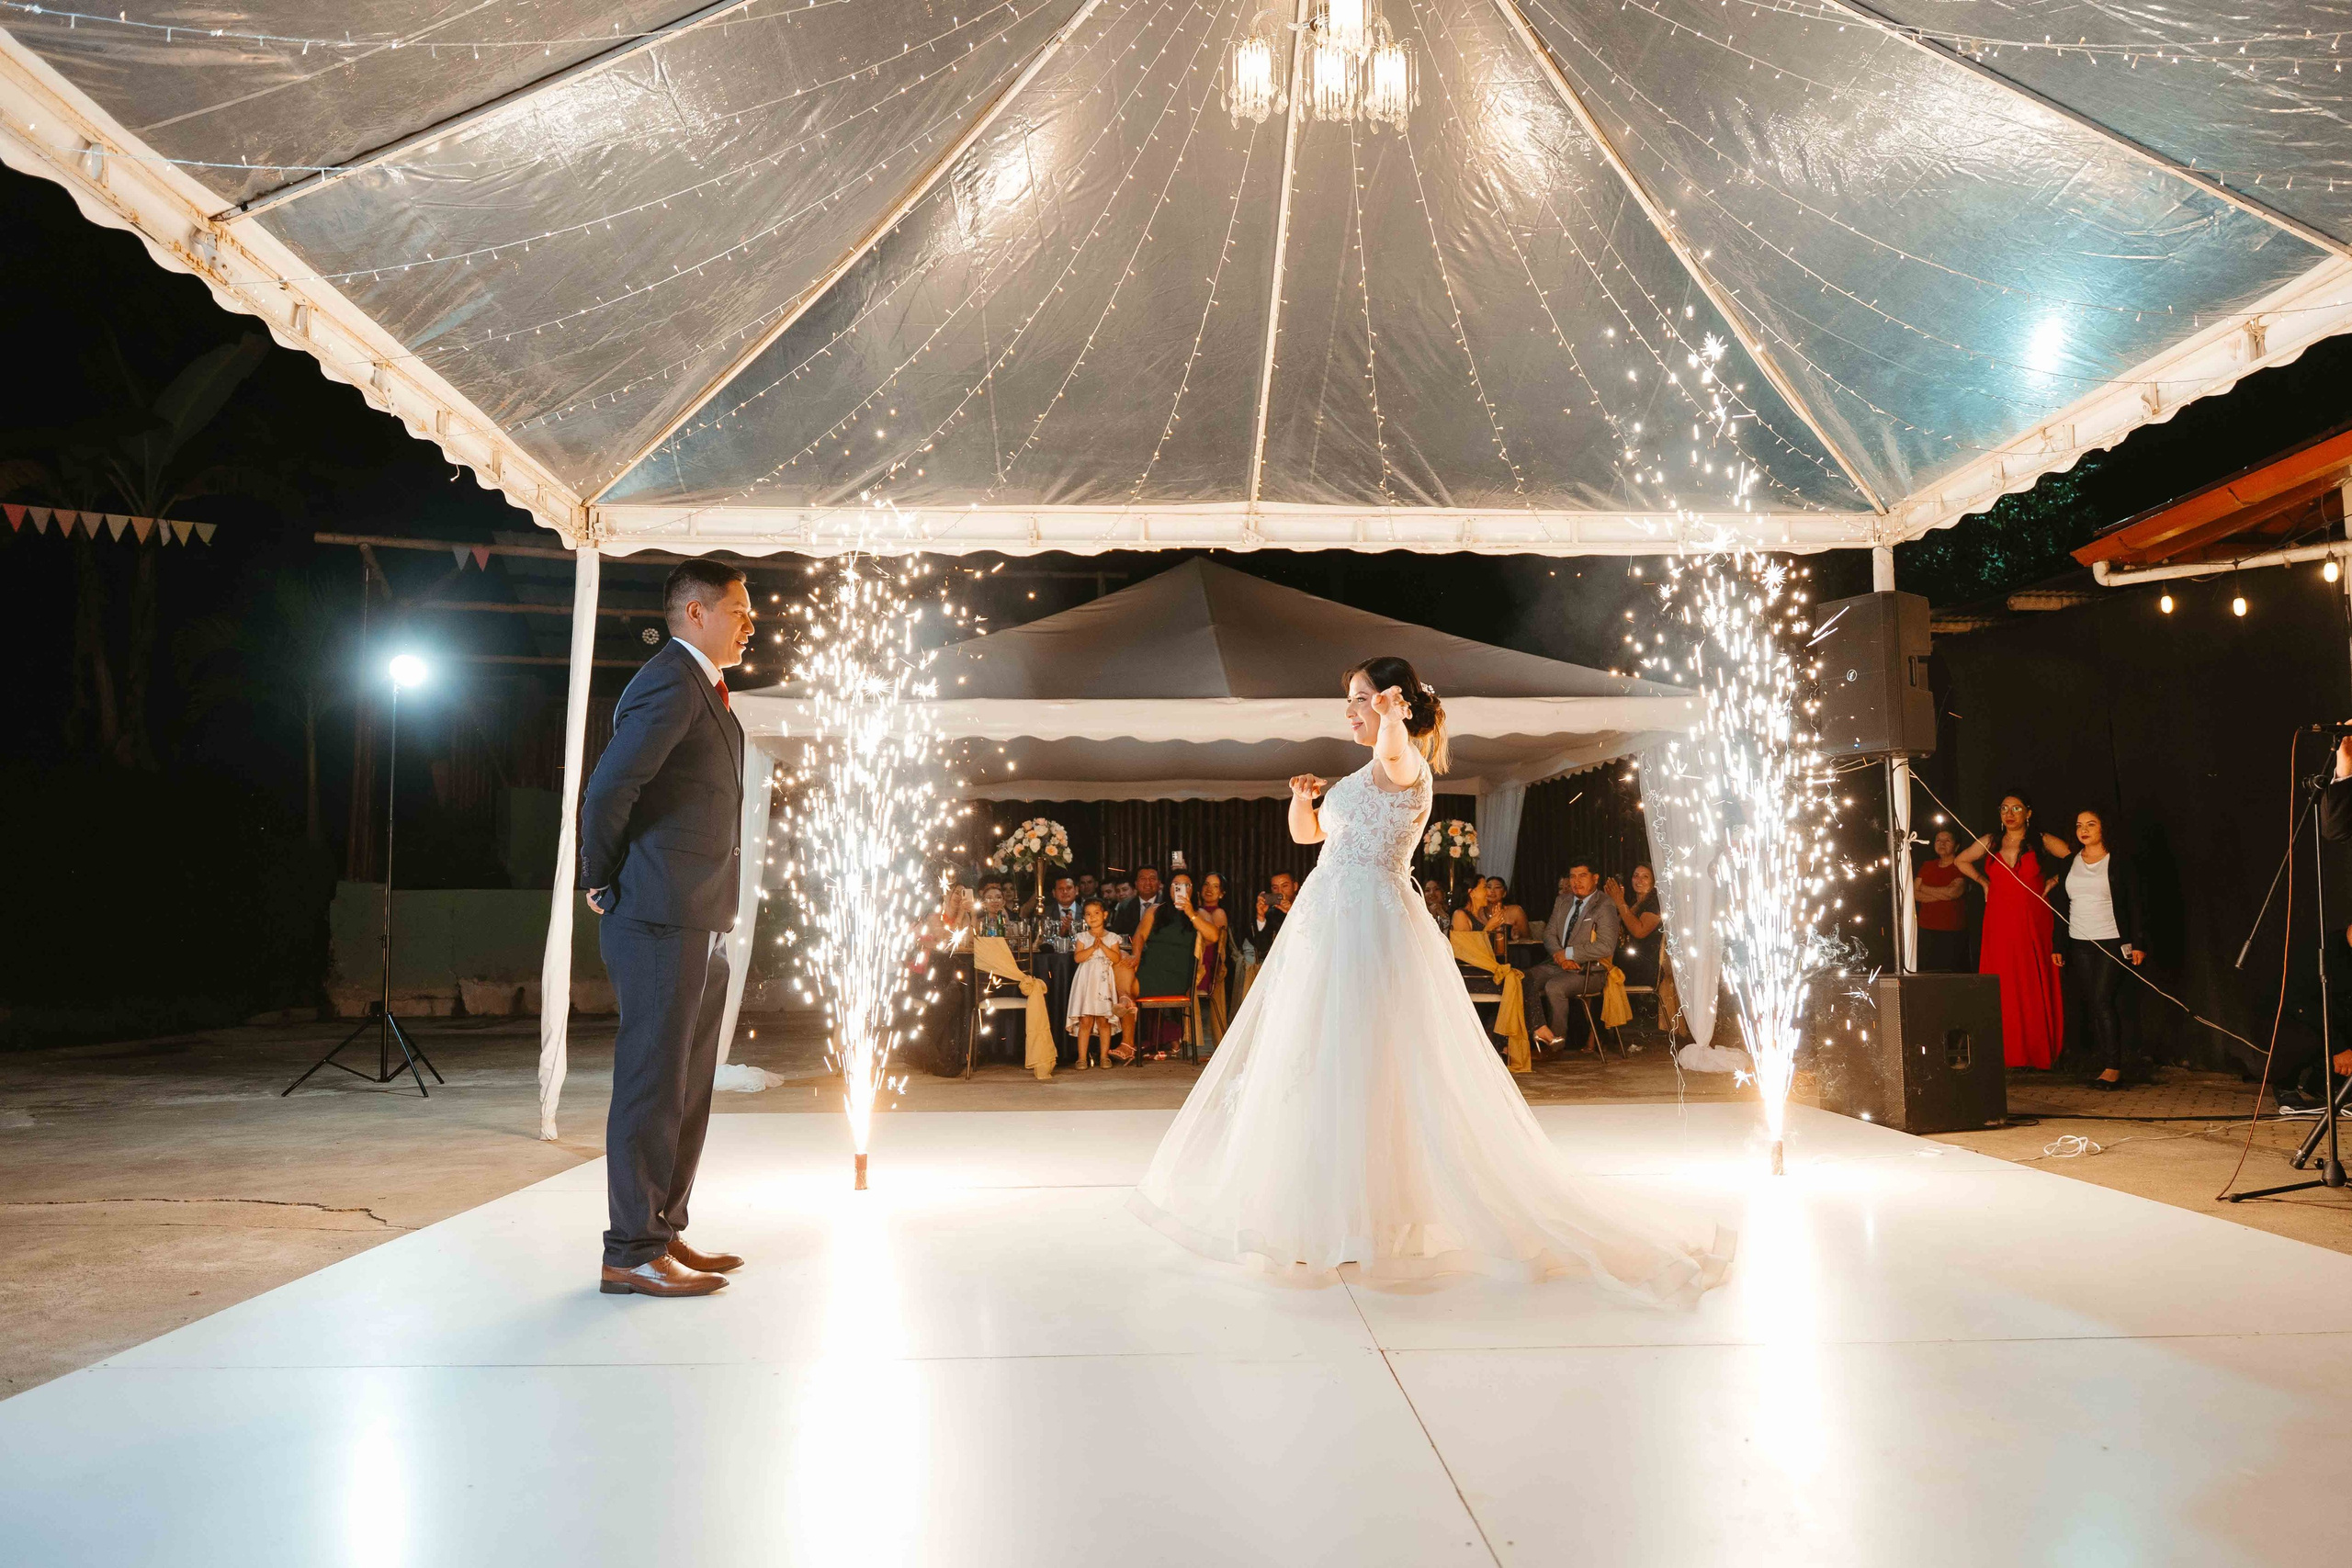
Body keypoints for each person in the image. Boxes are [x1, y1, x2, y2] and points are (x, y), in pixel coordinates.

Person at [1131, 656, 1731, 1303]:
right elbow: (1310, 836)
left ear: (1395, 705)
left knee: (1368, 1065)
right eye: (1351, 700)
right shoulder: (1357, 776)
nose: (1351, 710)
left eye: (1361, 697)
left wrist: (1390, 714)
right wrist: (1302, 800)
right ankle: (1327, 1216)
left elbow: (1393, 743)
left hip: (1368, 933)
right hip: (1326, 934)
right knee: (1322, 1065)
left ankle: (1370, 1221)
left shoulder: (1404, 762)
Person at [577, 560, 754, 1300]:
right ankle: (632, 1249)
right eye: (739, 610)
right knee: (652, 1082)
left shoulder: (703, 687)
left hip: (697, 913)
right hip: (654, 912)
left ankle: (664, 1227)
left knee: (687, 1083)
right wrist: (601, 876)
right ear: (694, 613)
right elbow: (612, 786)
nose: (751, 623)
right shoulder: (668, 681)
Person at [1956, 790, 2071, 1069]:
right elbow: (1961, 860)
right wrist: (1983, 882)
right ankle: (2006, 1051)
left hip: (2033, 919)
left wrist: (2055, 880)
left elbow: (2074, 858)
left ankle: (2036, 1049)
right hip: (1999, 920)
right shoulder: (1990, 841)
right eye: (2004, 808)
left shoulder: (2041, 841)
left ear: (2028, 813)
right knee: (2002, 979)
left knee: (2032, 977)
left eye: (2017, 809)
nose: (2009, 814)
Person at [2050, 808, 2146, 1090]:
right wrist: (2059, 944)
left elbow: (2135, 905)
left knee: (2103, 999)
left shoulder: (2119, 863)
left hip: (2112, 940)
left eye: (2091, 824)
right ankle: (2106, 1061)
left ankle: (2112, 1067)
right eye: (2080, 825)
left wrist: (2138, 944)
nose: (2084, 829)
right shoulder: (2069, 862)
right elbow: (2062, 906)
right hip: (2079, 940)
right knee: (2095, 1000)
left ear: (2104, 829)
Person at [1533, 862, 1622, 1053]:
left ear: (1595, 878)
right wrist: (1561, 957)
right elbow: (1549, 934)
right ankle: (1528, 1040)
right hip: (1557, 964)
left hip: (1590, 971)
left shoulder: (1605, 905)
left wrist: (1569, 953)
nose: (1576, 881)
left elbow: (1606, 945)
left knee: (1554, 987)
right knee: (1522, 980)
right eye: (1573, 876)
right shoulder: (1562, 901)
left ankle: (1555, 1046)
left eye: (1582, 876)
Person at [1067, 898, 1133, 1070]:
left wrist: (1102, 946)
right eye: (1088, 914)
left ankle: (1104, 1056)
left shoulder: (1112, 938)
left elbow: (1116, 958)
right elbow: (1078, 957)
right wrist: (1091, 948)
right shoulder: (1082, 937)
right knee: (1085, 1020)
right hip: (1086, 980)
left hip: (1103, 981)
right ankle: (1082, 1057)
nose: (1092, 917)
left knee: (1104, 1020)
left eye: (1096, 913)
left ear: (1104, 915)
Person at [1913, 829, 1970, 974]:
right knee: (1928, 974)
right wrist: (1944, 894)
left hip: (1952, 931)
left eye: (1947, 840)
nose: (1942, 844)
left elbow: (1954, 892)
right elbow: (1914, 894)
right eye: (1938, 840)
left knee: (1952, 975)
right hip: (1926, 929)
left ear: (1956, 846)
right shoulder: (1928, 865)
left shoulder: (1961, 865)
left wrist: (1924, 887)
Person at [1604, 865, 1662, 991]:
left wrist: (1620, 901)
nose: (1639, 880)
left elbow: (1639, 931)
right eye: (1636, 876)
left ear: (1654, 881)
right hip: (1626, 962)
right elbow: (1615, 928)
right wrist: (1614, 902)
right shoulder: (1633, 903)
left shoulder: (1656, 905)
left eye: (1645, 877)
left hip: (1643, 966)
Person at [1483, 877, 1532, 944]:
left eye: (1497, 887)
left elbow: (1527, 938)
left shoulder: (1515, 911)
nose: (1492, 891)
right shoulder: (1478, 912)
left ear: (1504, 893)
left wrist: (1517, 936)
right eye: (1489, 887)